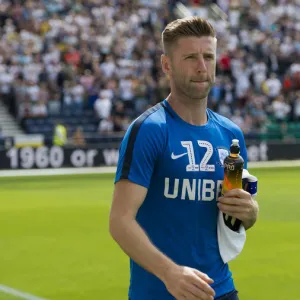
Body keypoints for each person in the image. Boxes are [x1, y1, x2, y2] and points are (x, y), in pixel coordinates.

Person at [109, 17, 259, 300]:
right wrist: (170, 273)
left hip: (221, 290)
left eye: (208, 56)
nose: (202, 67)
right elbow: (120, 221)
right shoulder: (150, 130)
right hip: (160, 292)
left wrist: (250, 213)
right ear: (167, 65)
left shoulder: (231, 135)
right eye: (190, 57)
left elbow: (233, 214)